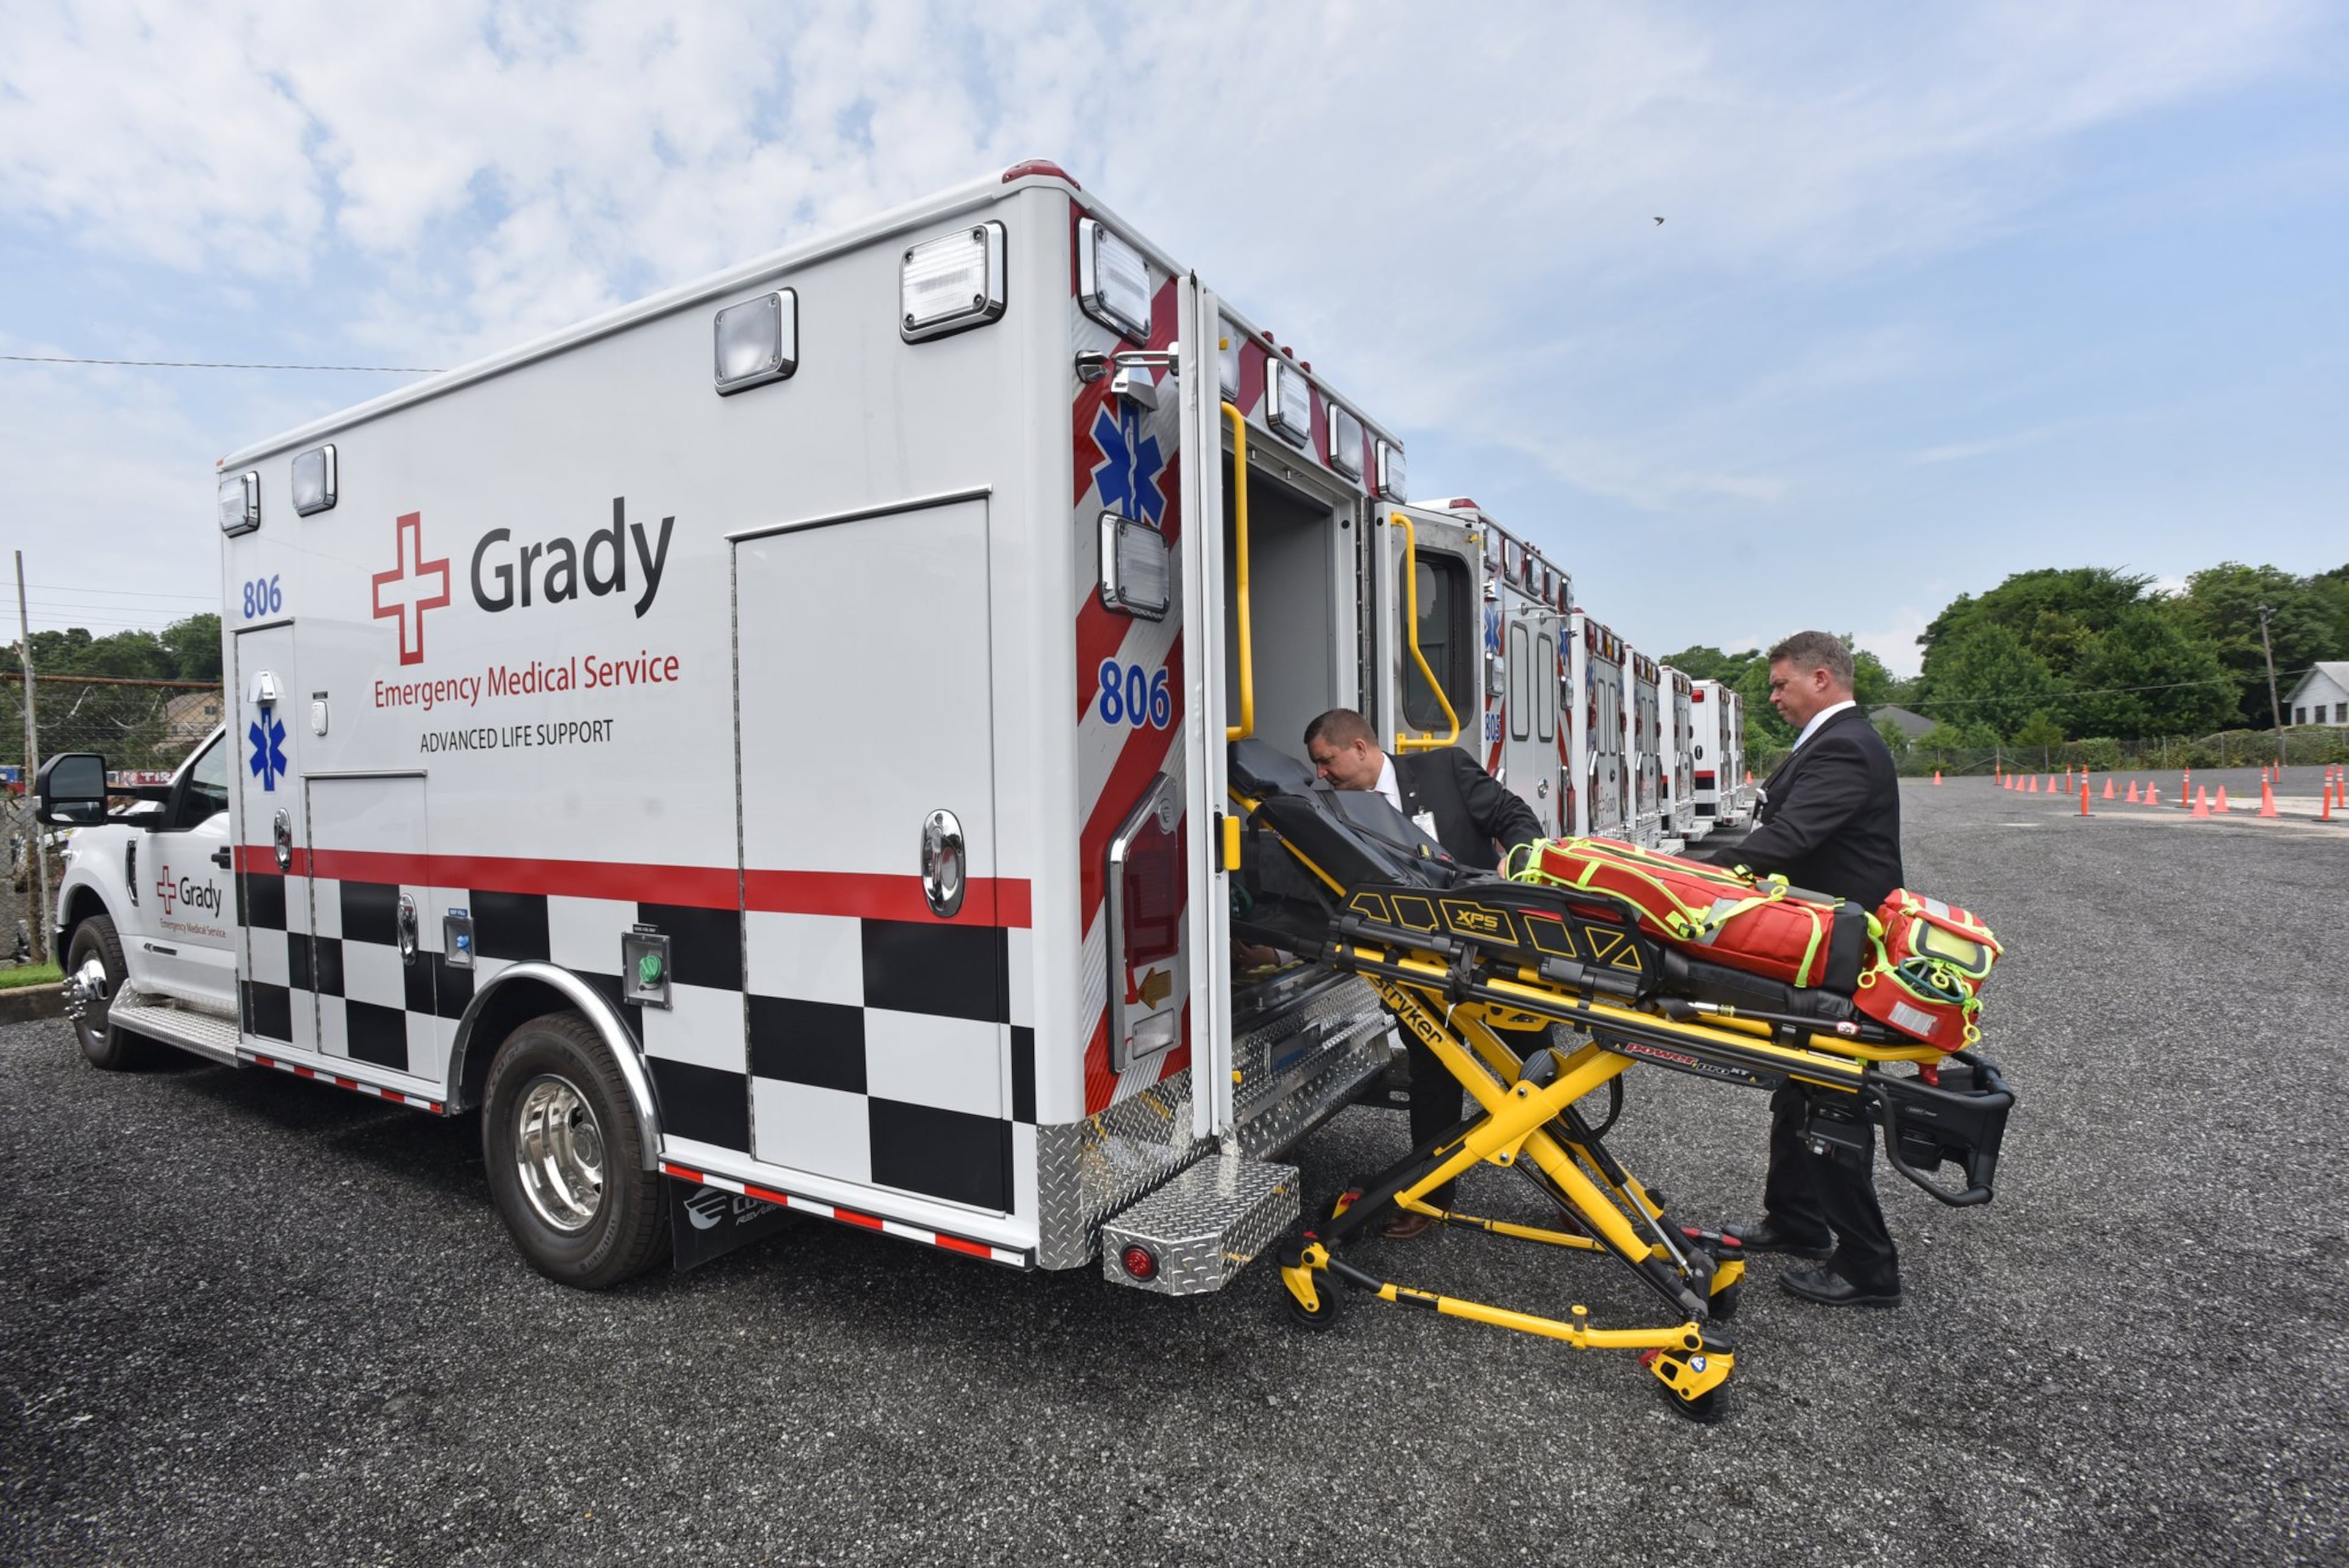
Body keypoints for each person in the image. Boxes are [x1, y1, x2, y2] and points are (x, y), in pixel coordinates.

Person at [1698, 631, 1908, 1308]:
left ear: (1822, 678)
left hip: (1839, 955)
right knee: (1798, 1088)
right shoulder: (1833, 741)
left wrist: (1687, 879)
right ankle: (1797, 1220)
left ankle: (1869, 1266)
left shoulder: (1844, 744)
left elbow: (1788, 840)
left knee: (1829, 1095)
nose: (1774, 697)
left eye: (1781, 684)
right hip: (1823, 947)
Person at [1303, 708, 1543, 1238]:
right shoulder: (1337, 810)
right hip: (1417, 964)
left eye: (1326, 761)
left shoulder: (1444, 770)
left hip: (1492, 951)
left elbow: (1514, 815)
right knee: (1432, 1076)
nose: (1321, 773)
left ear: (1361, 748)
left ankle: (1579, 1190)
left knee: (1534, 1072)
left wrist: (1522, 862)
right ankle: (1431, 1196)